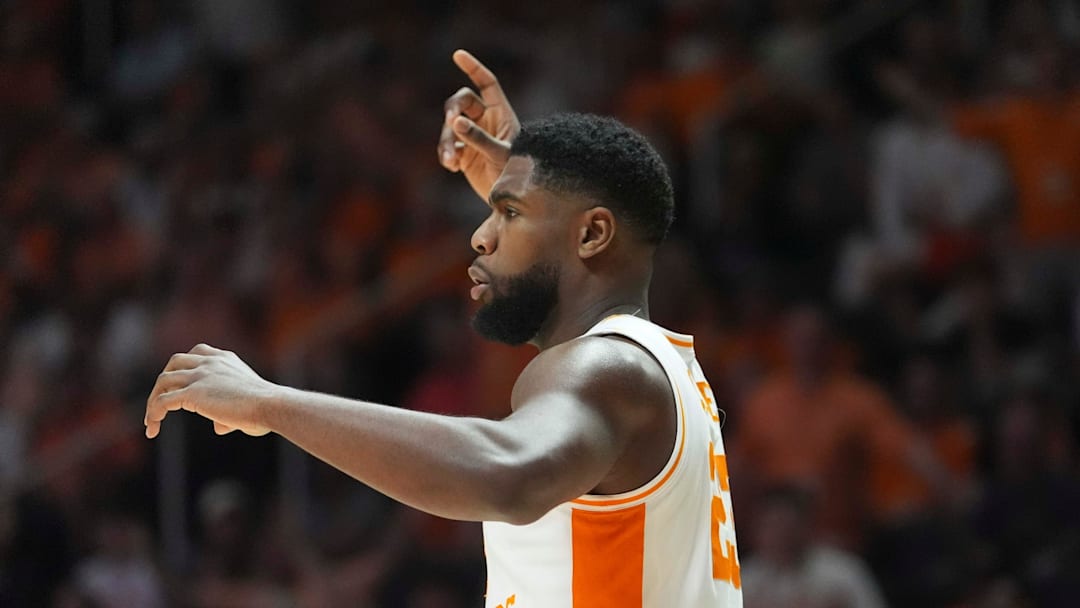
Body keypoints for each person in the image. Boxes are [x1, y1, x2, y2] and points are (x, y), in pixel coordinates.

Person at [144, 50, 741, 607]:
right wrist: (528, 198)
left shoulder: (605, 367)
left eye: (506, 213)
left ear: (590, 235)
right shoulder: (663, 370)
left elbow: (507, 474)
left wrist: (268, 402)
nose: (480, 236)